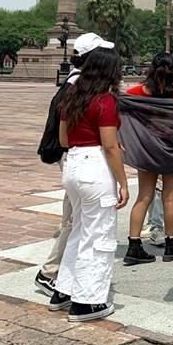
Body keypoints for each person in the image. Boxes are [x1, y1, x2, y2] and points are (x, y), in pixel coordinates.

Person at [50, 45, 129, 321]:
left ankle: (65, 289)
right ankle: (88, 300)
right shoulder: (105, 101)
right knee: (99, 235)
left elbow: (62, 140)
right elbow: (109, 146)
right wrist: (123, 182)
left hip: (73, 163)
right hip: (95, 165)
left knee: (79, 229)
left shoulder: (71, 96)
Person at [34, 33, 114, 296]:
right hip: (80, 158)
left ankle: (62, 274)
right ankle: (51, 273)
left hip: (73, 157)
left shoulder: (76, 83)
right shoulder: (82, 85)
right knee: (74, 220)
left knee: (76, 218)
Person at [119, 52, 173, 266]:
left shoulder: (139, 92)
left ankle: (133, 245)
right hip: (172, 151)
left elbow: (120, 102)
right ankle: (170, 245)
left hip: (147, 150)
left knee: (144, 196)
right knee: (170, 198)